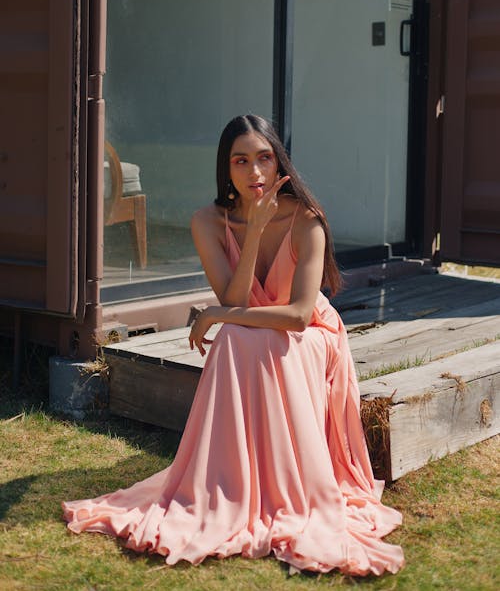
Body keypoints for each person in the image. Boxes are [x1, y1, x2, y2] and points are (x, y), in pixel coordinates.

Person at [62, 114, 404, 576]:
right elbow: (238, 299)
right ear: (226, 170)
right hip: (255, 329)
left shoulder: (307, 222)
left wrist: (219, 315)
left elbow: (300, 314)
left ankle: (283, 485)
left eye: (264, 158)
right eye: (241, 161)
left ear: (279, 161)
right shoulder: (208, 221)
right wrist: (256, 230)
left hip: (310, 335)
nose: (255, 172)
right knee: (239, 339)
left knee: (244, 338)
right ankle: (235, 483)